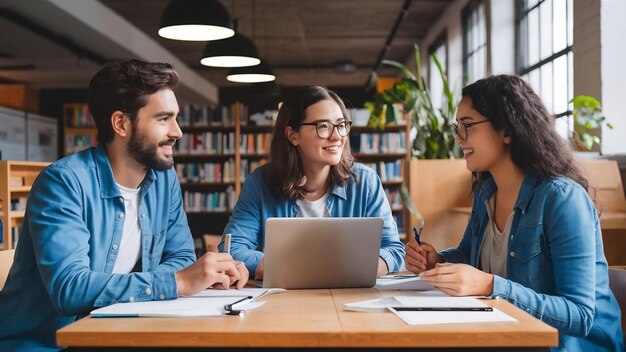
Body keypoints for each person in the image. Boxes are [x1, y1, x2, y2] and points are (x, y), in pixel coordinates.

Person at [0, 59, 248, 351]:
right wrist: (177, 282)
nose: (178, 131)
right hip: (47, 344)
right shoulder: (63, 183)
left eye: (176, 118)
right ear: (121, 123)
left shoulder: (163, 179)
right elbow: (69, 289)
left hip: (117, 331)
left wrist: (198, 277)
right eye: (163, 119)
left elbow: (180, 254)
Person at [405, 75, 624, 351]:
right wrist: (436, 259)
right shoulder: (487, 190)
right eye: (456, 127)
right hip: (506, 337)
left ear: (507, 130)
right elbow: (468, 254)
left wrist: (489, 285)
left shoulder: (562, 199)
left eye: (468, 126)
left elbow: (579, 316)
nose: (459, 139)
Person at [220, 85, 405, 279]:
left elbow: (392, 248)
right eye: (323, 126)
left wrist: (367, 267)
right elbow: (232, 248)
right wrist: (285, 267)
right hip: (283, 298)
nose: (337, 137)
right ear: (293, 135)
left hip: (348, 295)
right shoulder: (260, 183)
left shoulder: (365, 182)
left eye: (341, 125)